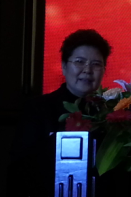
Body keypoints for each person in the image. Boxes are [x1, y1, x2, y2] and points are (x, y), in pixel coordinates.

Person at [12, 28, 113, 160]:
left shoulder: (111, 112)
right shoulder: (37, 109)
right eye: (79, 62)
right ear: (64, 66)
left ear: (104, 70)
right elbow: (21, 163)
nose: (88, 70)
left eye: (96, 64)